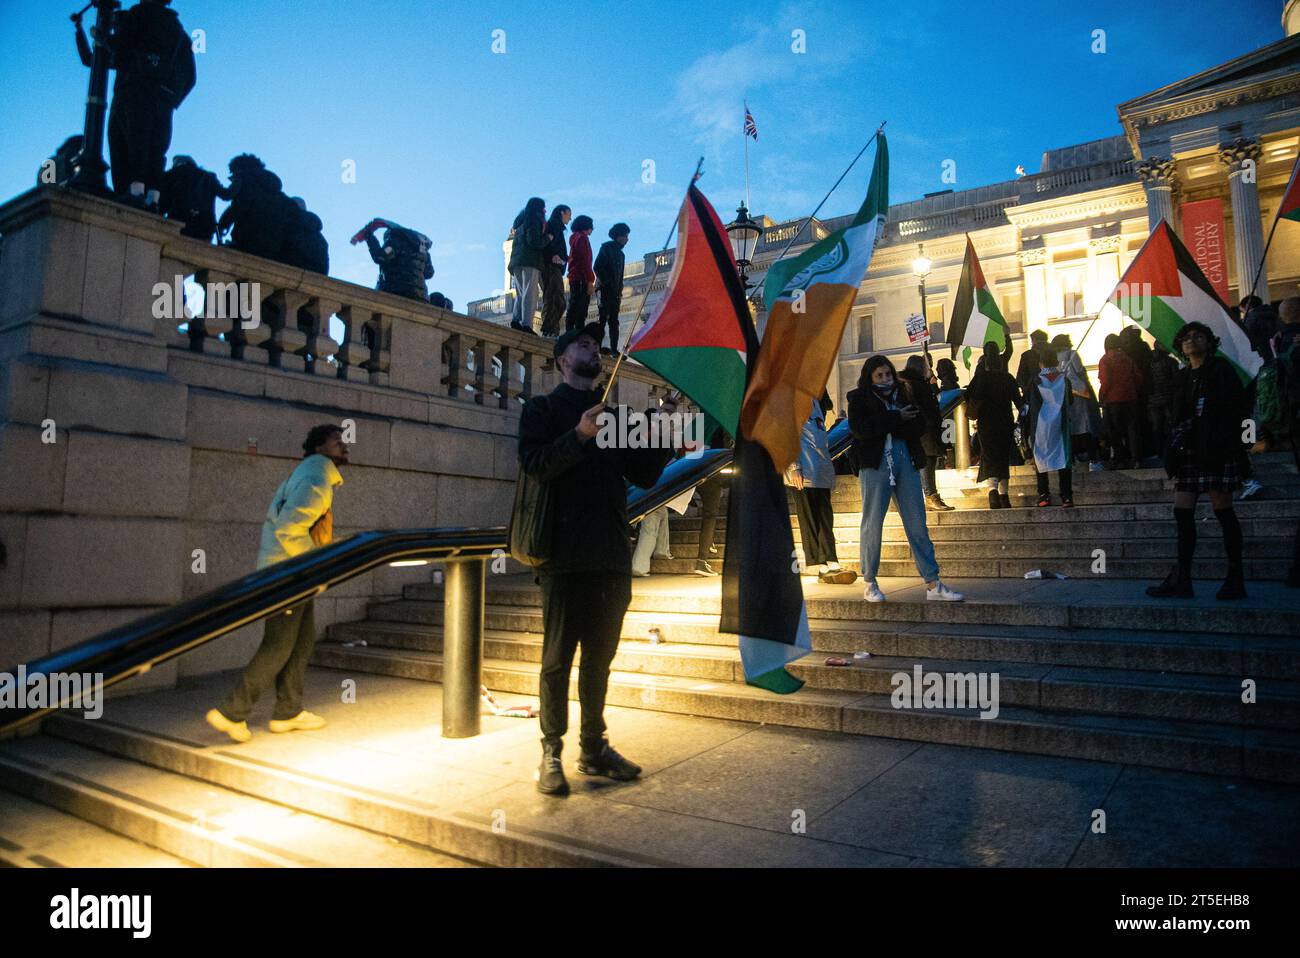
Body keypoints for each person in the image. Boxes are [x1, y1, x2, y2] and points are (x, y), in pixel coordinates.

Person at [518, 322, 676, 795]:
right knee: (556, 660)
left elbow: (646, 476)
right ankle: (551, 751)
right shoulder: (543, 410)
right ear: (563, 360)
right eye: (582, 345)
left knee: (599, 659)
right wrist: (581, 435)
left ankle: (593, 747)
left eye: (595, 345)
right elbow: (535, 464)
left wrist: (660, 430)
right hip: (563, 555)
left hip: (610, 553)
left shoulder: (614, 414)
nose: (593, 350)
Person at [205, 424, 348, 743]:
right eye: (337, 441)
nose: (344, 445)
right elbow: (289, 529)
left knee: (302, 640)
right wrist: (315, 560)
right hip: (288, 573)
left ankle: (288, 711)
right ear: (319, 449)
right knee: (280, 644)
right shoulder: (316, 476)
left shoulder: (312, 473)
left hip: (294, 571)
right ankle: (232, 711)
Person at [847, 356, 965, 604]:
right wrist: (895, 418)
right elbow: (861, 429)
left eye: (888, 374)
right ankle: (870, 581)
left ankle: (933, 583)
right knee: (872, 524)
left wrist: (892, 421)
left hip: (906, 461)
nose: (885, 379)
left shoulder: (904, 393)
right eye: (879, 376)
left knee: (917, 523)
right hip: (876, 465)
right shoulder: (858, 397)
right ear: (870, 377)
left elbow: (919, 425)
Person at [1146, 322, 1250, 601]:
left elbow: (1237, 406)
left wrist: (1231, 439)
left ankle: (1235, 576)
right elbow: (1176, 412)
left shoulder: (1220, 370)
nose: (1191, 341)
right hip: (1189, 452)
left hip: (1216, 449)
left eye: (1198, 336)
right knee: (1182, 512)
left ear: (1209, 341)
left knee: (1222, 510)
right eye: (1187, 338)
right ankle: (1183, 578)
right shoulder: (1182, 376)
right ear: (1180, 346)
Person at [74, 0, 196, 209]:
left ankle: (133, 193)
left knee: (127, 145)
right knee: (156, 150)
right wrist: (170, 99)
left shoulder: (137, 18)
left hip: (131, 95)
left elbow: (95, 57)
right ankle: (152, 199)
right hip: (162, 103)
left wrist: (90, 32)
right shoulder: (179, 34)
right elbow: (191, 77)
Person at [787, 396, 857, 584]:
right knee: (810, 518)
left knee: (825, 518)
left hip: (820, 470)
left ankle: (830, 558)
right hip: (804, 471)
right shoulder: (793, 400)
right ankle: (820, 564)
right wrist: (794, 467)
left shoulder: (815, 403)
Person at [966, 343, 1022, 509]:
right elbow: (1019, 402)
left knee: (990, 456)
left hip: (986, 424)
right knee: (1003, 457)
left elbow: (968, 396)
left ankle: (993, 493)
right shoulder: (1007, 378)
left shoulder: (980, 378)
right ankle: (1004, 496)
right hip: (1005, 422)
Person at [899, 355, 953, 510]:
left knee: (929, 461)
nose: (928, 369)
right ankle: (930, 495)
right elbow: (921, 406)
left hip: (928, 429)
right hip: (923, 430)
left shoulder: (918, 383)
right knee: (927, 462)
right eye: (925, 366)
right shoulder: (912, 384)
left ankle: (931, 495)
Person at [218, 154, 294, 261]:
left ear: (239, 170)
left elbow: (238, 207)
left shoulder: (246, 182)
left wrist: (222, 225)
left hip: (247, 242)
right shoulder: (279, 196)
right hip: (273, 249)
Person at [1026, 347, 1074, 507]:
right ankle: (1066, 496)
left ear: (1041, 363)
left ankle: (1044, 494)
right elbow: (1071, 401)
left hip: (1040, 425)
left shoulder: (1035, 380)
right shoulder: (1064, 379)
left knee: (1041, 458)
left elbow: (1030, 403)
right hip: (1061, 425)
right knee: (1063, 459)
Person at [1053, 333, 1101, 467]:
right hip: (1080, 394)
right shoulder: (1072, 354)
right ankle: (1093, 457)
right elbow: (1081, 372)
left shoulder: (1054, 358)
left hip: (1065, 394)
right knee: (1085, 426)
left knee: (1071, 427)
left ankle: (1073, 458)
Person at [159, 155, 230, 242]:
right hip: (204, 224)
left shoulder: (173, 174)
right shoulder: (209, 177)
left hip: (178, 219)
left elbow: (163, 201)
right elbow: (226, 195)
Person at [1099, 333, 1143, 469]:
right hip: (1130, 398)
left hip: (1113, 400)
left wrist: (1102, 396)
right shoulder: (1127, 358)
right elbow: (1138, 377)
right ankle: (1136, 459)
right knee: (1132, 429)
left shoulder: (1106, 359)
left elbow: (1106, 380)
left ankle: (1119, 459)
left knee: (1115, 432)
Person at [359, 220, 433, 301]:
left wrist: (369, 237)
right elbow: (429, 273)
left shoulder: (395, 241)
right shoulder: (422, 249)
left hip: (396, 291)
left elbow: (380, 257)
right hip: (420, 297)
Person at [507, 198, 547, 334]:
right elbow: (534, 241)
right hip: (530, 260)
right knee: (530, 292)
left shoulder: (519, 223)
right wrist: (548, 238)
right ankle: (527, 324)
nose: (545, 211)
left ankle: (515, 319)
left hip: (516, 262)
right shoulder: (534, 220)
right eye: (543, 208)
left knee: (520, 292)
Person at [594, 223, 630, 355]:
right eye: (625, 236)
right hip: (604, 289)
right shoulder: (606, 248)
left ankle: (614, 350)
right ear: (618, 236)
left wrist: (619, 289)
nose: (627, 239)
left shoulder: (621, 254)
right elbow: (597, 267)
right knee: (602, 319)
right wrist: (607, 282)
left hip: (615, 292)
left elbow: (620, 276)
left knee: (614, 321)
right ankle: (596, 347)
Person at [539, 206, 571, 337]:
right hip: (551, 266)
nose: (570, 218)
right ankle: (548, 330)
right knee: (555, 299)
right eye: (569, 214)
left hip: (555, 266)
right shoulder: (553, 225)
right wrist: (554, 255)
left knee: (555, 299)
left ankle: (552, 330)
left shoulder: (555, 226)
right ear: (562, 212)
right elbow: (548, 242)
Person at [1148, 342, 1181, 460]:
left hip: (1152, 399)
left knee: (1157, 427)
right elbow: (1177, 380)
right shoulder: (1171, 362)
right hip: (1168, 398)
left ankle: (1159, 451)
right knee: (1170, 425)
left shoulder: (1148, 362)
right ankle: (1171, 450)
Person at [566, 215, 596, 334]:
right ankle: (577, 330)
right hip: (581, 277)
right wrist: (590, 280)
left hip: (575, 276)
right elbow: (585, 260)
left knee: (575, 304)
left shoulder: (575, 238)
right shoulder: (582, 238)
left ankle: (572, 329)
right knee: (580, 306)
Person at [283, 197, 329, 275]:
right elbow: (323, 267)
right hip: (311, 280)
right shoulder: (320, 239)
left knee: (255, 285)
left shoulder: (287, 227)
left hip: (285, 274)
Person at [631, 506, 672, 577]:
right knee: (649, 533)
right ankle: (639, 567)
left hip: (653, 503)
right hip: (653, 503)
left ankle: (662, 551)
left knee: (662, 514)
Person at [1016, 329, 1048, 397]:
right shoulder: (1051, 355)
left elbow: (1020, 377)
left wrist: (1025, 389)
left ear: (1034, 341)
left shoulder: (1027, 355)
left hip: (1032, 393)